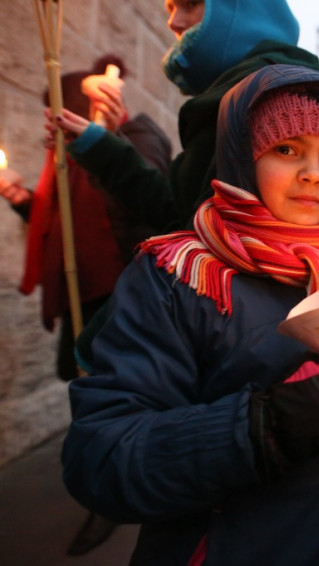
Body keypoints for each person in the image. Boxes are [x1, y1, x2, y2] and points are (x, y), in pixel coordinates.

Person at [61, 64, 319, 565]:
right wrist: (257, 431)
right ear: (243, 156)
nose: (312, 173)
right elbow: (101, 458)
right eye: (286, 149)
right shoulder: (177, 277)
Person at [0, 54, 172, 556]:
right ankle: (104, 483)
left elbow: (150, 205)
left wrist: (106, 147)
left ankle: (113, 497)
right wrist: (21, 198)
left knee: (118, 397)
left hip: (118, 292)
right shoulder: (67, 157)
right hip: (83, 291)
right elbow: (64, 222)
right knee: (88, 388)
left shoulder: (137, 135)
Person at [51, 0, 319, 234]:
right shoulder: (235, 93)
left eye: (191, 3)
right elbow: (184, 215)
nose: (173, 22)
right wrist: (99, 146)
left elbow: (199, 235)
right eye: (171, 8)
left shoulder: (262, 97)